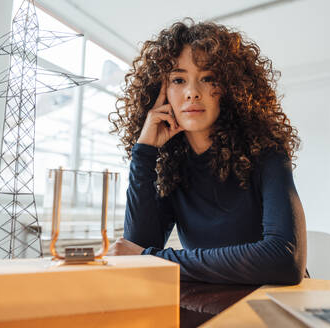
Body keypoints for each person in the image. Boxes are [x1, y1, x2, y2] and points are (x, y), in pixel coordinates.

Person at [108, 19, 306, 285]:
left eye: (208, 78)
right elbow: (137, 252)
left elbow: (284, 260)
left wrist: (157, 259)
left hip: (275, 303)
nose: (192, 93)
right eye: (178, 79)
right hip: (211, 304)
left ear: (229, 88)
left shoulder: (266, 151)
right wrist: (143, 153)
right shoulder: (172, 168)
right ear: (160, 92)